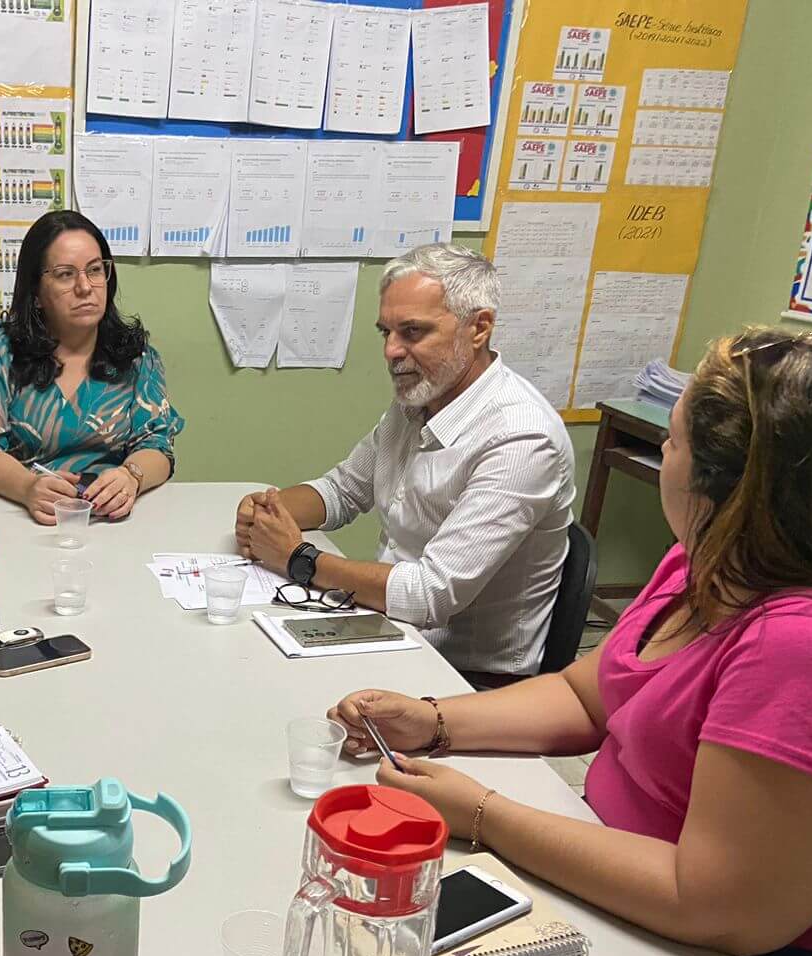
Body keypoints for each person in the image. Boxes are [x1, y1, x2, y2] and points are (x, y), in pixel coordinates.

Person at [330, 329, 812, 956]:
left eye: (671, 441)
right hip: (636, 892)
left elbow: (710, 904)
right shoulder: (706, 559)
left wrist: (482, 815)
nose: (664, 454)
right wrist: (434, 720)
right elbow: (589, 696)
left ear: (718, 484)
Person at [234, 243, 576, 687]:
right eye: (386, 332)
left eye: (413, 332)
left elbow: (430, 594)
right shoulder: (422, 397)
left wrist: (297, 557)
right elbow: (343, 489)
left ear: (479, 328)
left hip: (462, 678)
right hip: (388, 628)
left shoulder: (521, 438)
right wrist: (269, 511)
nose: (392, 351)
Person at [0, 210, 184, 524]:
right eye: (65, 274)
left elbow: (157, 446)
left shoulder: (135, 356)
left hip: (113, 520)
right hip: (25, 514)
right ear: (36, 293)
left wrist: (131, 477)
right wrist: (28, 487)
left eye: (95, 270)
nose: (85, 287)